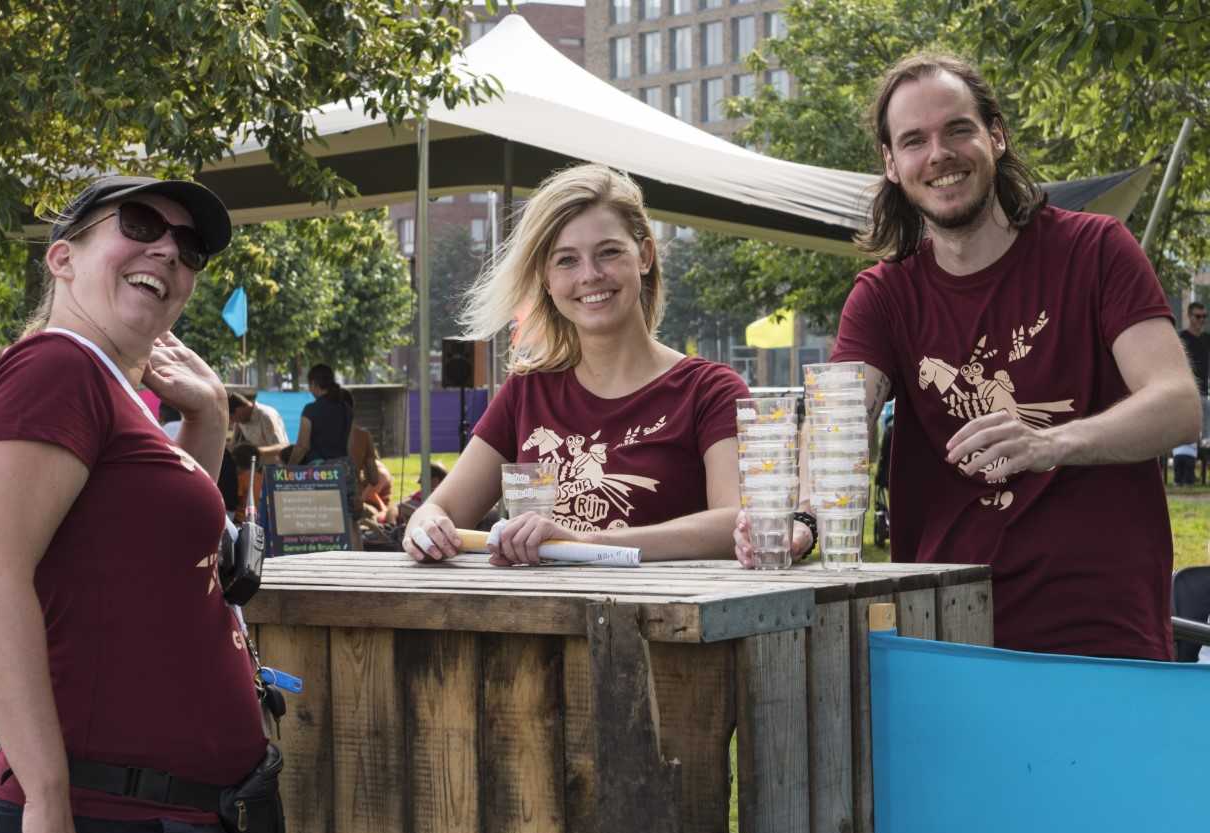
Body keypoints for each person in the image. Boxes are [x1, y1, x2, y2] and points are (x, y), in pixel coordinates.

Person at [740, 53, 1202, 660]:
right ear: (891, 164)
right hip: (943, 626)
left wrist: (1052, 443)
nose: (939, 154)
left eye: (958, 129)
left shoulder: (1095, 250)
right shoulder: (883, 295)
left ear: (996, 135)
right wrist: (804, 520)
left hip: (1097, 626)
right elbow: (841, 424)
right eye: (914, 140)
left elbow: (1177, 406)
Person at [0, 176, 268, 833]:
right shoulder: (56, 370)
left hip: (159, 815)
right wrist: (46, 802)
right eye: (141, 225)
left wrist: (206, 416)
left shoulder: (110, 396)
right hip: (107, 820)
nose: (170, 252)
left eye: (188, 248)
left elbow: (155, 552)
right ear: (62, 258)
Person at [404, 164, 747, 565]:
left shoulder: (710, 390)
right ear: (546, 280)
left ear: (645, 256)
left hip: (664, 623)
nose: (591, 275)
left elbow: (735, 524)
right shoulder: (527, 390)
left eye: (609, 252)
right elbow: (440, 509)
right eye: (566, 260)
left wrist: (581, 542)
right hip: (538, 623)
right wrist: (426, 526)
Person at [287, 364, 352, 465]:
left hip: (321, 474)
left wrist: (288, 468)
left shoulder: (310, 410)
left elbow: (303, 446)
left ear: (313, 383)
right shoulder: (346, 408)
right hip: (345, 470)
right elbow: (351, 444)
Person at [228, 391, 290, 463]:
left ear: (239, 409)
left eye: (231, 417)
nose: (232, 421)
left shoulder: (266, 417)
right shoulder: (240, 420)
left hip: (277, 469)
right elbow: (233, 445)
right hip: (259, 468)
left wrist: (255, 451)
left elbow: (283, 447)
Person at [1179, 301, 1208, 396]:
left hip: (1204, 393)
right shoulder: (1181, 339)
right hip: (1186, 394)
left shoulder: (1207, 338)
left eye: (1204, 316)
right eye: (1198, 316)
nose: (1202, 319)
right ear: (1189, 316)